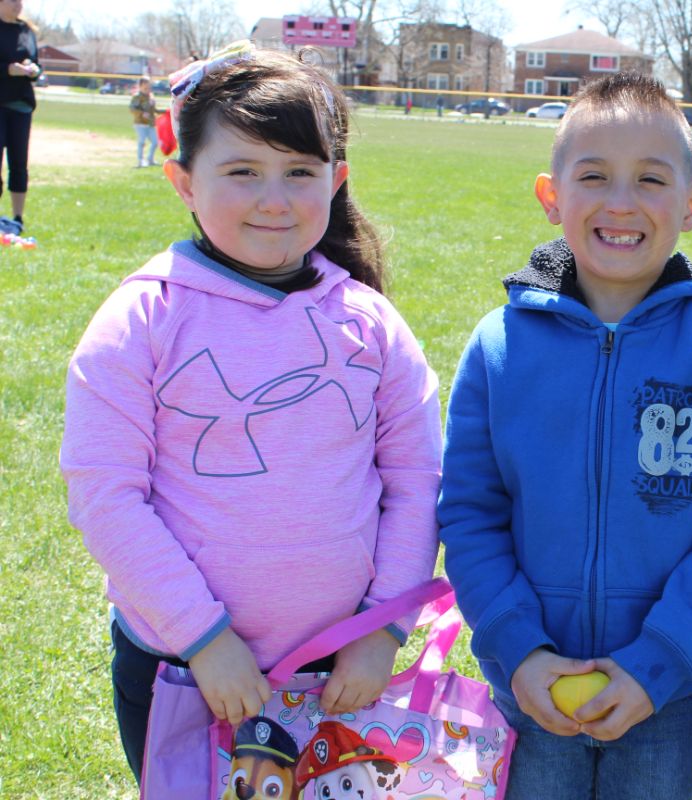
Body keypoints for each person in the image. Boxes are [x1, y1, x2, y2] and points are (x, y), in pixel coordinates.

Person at [60, 42, 442, 787]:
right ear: (183, 182)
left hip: (342, 670)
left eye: (299, 172)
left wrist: (382, 630)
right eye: (242, 172)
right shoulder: (142, 318)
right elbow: (106, 496)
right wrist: (204, 639)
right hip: (184, 665)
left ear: (336, 181)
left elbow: (417, 477)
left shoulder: (370, 322)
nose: (275, 198)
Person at [438, 71, 692, 800]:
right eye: (594, 176)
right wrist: (519, 648)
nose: (621, 202)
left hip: (669, 688)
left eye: (651, 180)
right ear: (551, 196)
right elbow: (470, 513)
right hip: (529, 685)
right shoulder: (499, 346)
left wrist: (661, 657)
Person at [0, 0, 43, 235]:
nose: (18, 5)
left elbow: (35, 62)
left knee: (19, 164)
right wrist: (8, 69)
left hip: (21, 105)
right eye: (12, 1)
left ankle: (17, 218)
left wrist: (33, 69)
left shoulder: (26, 31)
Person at [129, 76, 159, 168]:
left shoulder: (151, 96)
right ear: (140, 86)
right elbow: (132, 109)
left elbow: (154, 110)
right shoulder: (137, 97)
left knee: (155, 142)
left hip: (150, 124)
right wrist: (142, 113)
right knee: (142, 142)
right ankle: (140, 161)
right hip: (140, 124)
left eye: (149, 87)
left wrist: (166, 112)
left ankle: (150, 159)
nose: (148, 89)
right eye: (145, 87)